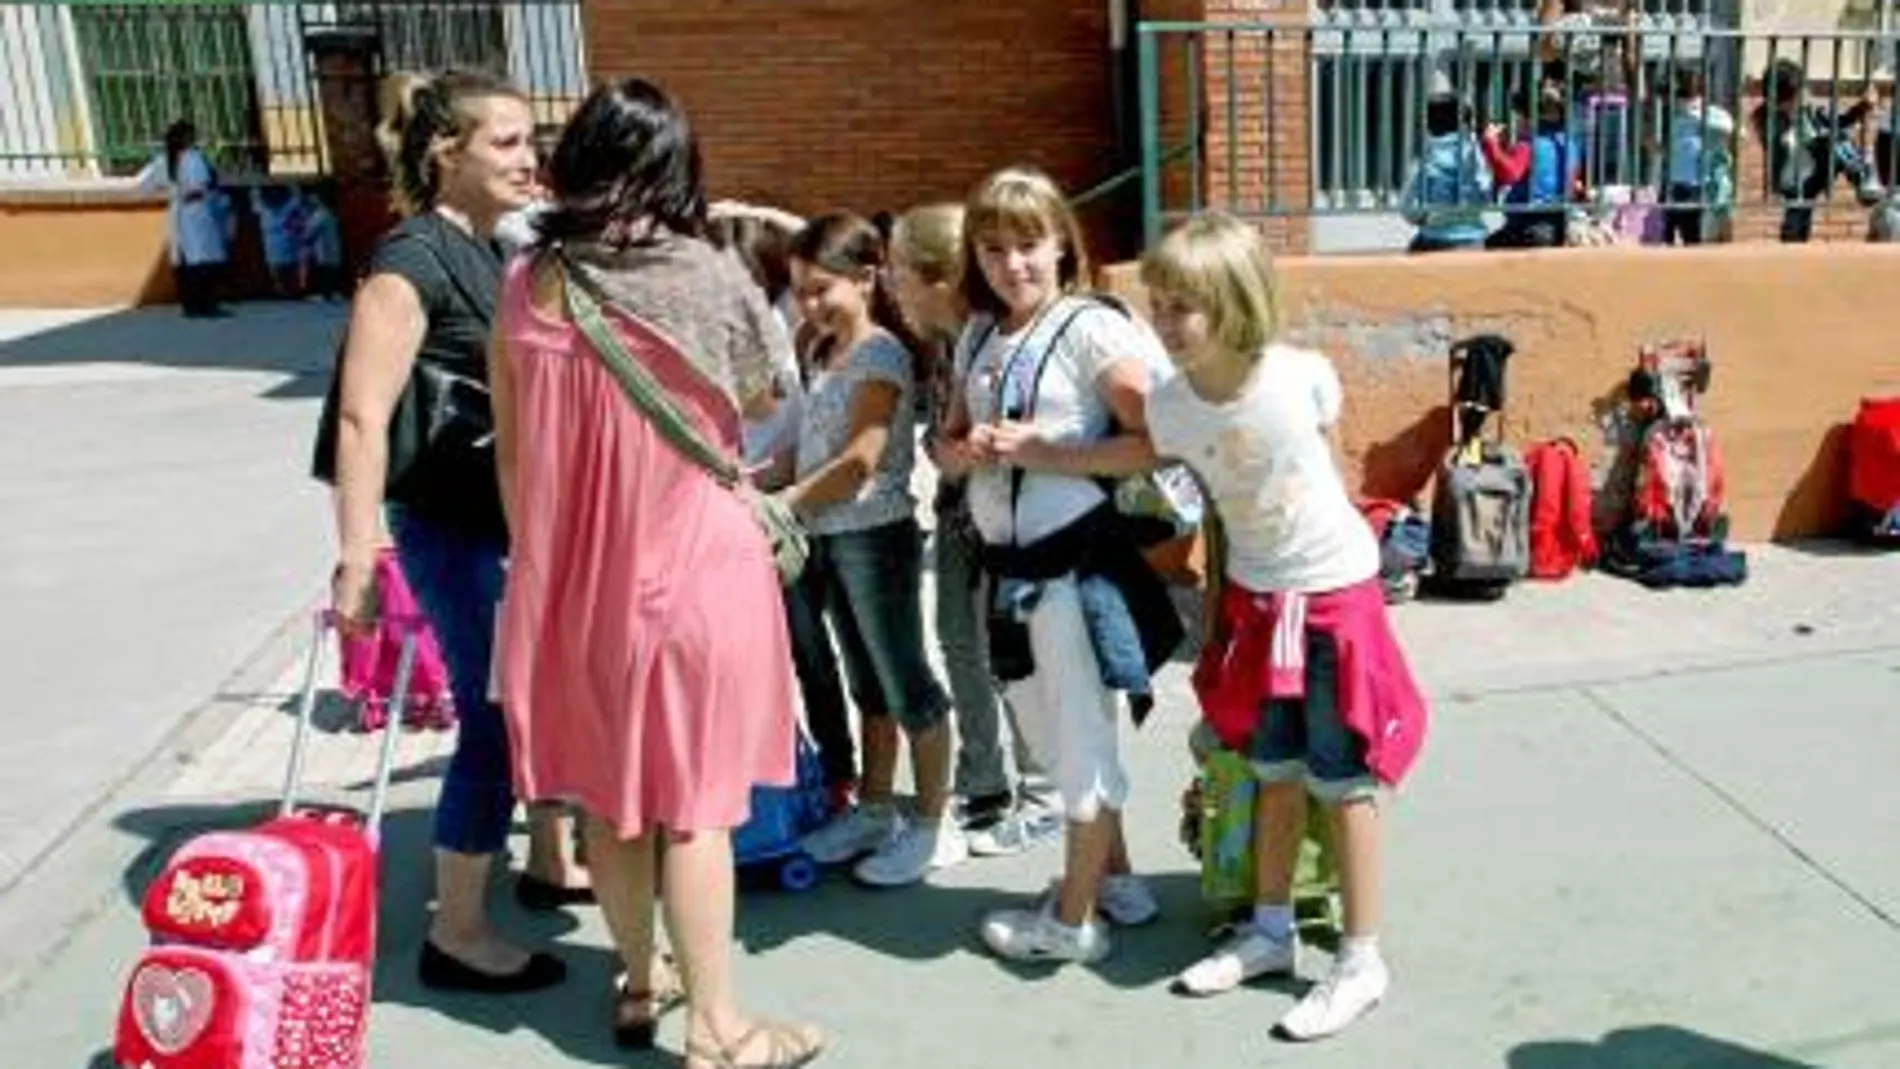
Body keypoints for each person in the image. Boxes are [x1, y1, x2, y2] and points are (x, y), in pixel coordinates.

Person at [491, 76, 823, 1067]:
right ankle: (720, 1030)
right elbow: (768, 388)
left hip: (571, 587)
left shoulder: (525, 283)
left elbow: (514, 455)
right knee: (698, 808)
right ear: (676, 169)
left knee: (609, 797)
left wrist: (545, 569)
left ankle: (640, 982)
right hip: (694, 572)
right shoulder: (707, 275)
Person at [1140, 212, 1428, 1041]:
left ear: (1234, 303)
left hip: (1336, 598)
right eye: (1156, 305)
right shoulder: (1170, 402)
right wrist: (1041, 453)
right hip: (1259, 606)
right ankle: (1270, 931)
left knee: (1345, 778)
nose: (1163, 321)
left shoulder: (1300, 373)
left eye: (1180, 306)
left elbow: (1329, 472)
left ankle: (1361, 958)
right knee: (1273, 767)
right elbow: (1142, 456)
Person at [327, 68, 573, 996]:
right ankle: (458, 931)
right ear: (446, 153)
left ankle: (549, 857)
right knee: (493, 713)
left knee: (534, 696)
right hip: (451, 528)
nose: (528, 157)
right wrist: (360, 555)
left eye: (528, 139)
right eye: (505, 142)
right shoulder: (410, 261)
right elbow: (361, 416)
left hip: (507, 522)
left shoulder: (496, 246)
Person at [947, 166, 1170, 965]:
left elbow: (1159, 438)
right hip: (1005, 575)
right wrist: (964, 448)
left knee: (1078, 744)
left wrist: (1048, 453)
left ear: (1061, 245)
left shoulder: (1088, 329)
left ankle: (1070, 923)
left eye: (1029, 244)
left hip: (1070, 575)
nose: (1014, 264)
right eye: (995, 247)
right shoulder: (979, 332)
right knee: (1048, 736)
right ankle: (1117, 881)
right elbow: (946, 441)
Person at [777, 212, 961, 887]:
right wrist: (758, 478)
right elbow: (812, 447)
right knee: (868, 687)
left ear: (866, 278)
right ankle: (877, 807)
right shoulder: (819, 351)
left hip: (875, 538)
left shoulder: (882, 353)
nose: (811, 304)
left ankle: (932, 822)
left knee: (906, 680)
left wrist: (782, 502)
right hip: (829, 537)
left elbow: (860, 460)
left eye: (823, 288)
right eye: (800, 290)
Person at [887, 202, 1057, 856]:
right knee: (959, 642)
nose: (890, 284)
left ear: (936, 276)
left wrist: (955, 447)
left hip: (1003, 517)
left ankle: (1041, 791)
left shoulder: (988, 336)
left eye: (900, 269)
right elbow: (944, 438)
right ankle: (984, 781)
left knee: (1011, 651)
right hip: (960, 513)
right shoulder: (944, 341)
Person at [139, 120, 230, 318]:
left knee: (184, 259)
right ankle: (207, 305)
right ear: (187, 138)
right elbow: (201, 186)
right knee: (204, 257)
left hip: (178, 213)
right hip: (196, 212)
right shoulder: (193, 158)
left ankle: (190, 306)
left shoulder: (163, 160)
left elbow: (143, 188)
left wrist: (172, 195)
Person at [1398, 93, 1492, 253]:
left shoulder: (1426, 156)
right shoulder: (1474, 153)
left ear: (1429, 124)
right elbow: (1485, 192)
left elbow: (1407, 206)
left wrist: (1424, 219)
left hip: (1435, 238)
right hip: (1472, 238)